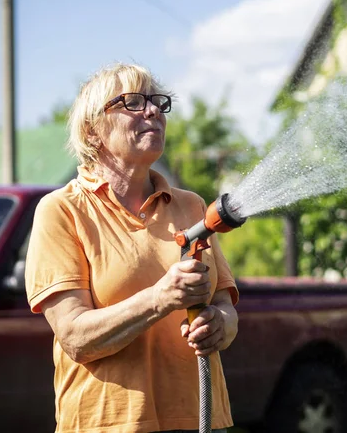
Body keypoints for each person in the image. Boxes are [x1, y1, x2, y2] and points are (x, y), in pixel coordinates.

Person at [25, 62, 238, 433]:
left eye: (157, 101)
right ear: (93, 131)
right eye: (133, 102)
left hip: (199, 420)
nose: (153, 110)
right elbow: (76, 337)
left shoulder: (189, 206)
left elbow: (224, 305)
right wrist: (160, 298)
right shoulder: (63, 211)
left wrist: (220, 325)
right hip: (106, 424)